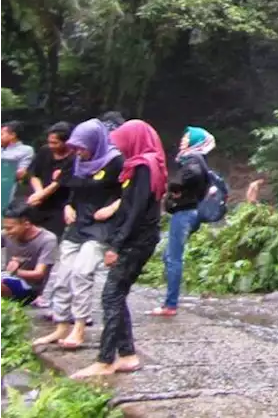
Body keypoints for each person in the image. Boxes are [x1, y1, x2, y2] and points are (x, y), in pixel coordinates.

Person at [72, 120, 165, 378]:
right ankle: (127, 355)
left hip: (137, 240)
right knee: (117, 294)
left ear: (133, 139)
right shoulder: (140, 165)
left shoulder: (144, 166)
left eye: (121, 141)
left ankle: (105, 360)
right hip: (137, 237)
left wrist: (116, 245)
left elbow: (134, 211)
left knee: (110, 295)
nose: (117, 147)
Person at [34, 119, 123, 350]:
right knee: (63, 275)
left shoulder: (115, 161)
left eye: (82, 147)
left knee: (82, 273)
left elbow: (129, 193)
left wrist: (113, 207)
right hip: (78, 222)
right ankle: (62, 324)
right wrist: (68, 206)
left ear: (95, 143)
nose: (78, 152)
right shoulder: (77, 160)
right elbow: (73, 189)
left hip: (100, 226)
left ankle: (79, 327)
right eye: (76, 147)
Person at [150, 126, 214, 317]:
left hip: (185, 212)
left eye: (187, 137)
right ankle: (170, 299)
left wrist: (175, 186)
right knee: (169, 256)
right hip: (189, 212)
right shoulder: (195, 159)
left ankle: (170, 305)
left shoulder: (193, 160)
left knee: (173, 258)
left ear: (195, 141)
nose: (183, 140)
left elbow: (192, 174)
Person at [0, 203, 57, 305]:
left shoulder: (47, 239)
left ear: (27, 224)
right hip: (5, 278)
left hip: (29, 288)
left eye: (10, 228)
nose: (7, 232)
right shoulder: (5, 234)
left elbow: (39, 274)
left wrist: (16, 272)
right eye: (5, 228)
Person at [26, 123, 75, 239]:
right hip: (38, 200)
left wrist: (42, 195)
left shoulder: (73, 158)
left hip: (59, 203)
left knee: (51, 238)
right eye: (49, 142)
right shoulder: (45, 151)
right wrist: (38, 192)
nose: (51, 145)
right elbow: (33, 174)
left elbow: (59, 182)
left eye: (55, 143)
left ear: (66, 142)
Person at [0, 121, 35, 189]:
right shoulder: (2, 149)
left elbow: (21, 173)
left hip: (11, 188)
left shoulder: (26, 150)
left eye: (1, 134)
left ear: (12, 135)